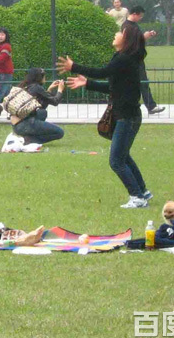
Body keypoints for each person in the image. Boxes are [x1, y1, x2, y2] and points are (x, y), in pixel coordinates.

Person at [60, 22, 154, 209]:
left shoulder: (124, 59)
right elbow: (112, 87)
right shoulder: (123, 58)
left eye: (120, 32)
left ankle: (137, 197)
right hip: (128, 115)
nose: (115, 34)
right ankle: (142, 191)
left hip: (127, 116)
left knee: (116, 160)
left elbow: (102, 73)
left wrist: (74, 66)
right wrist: (87, 83)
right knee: (123, 156)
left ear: (126, 39)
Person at [125, 6, 164, 116]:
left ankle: (150, 106)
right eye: (140, 16)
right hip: (133, 59)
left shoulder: (134, 25)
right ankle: (148, 106)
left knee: (142, 82)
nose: (141, 18)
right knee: (139, 82)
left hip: (138, 58)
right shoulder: (127, 26)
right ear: (135, 14)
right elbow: (130, 43)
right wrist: (144, 37)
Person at [10, 68, 65, 145]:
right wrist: (60, 90)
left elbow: (40, 106)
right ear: (39, 77)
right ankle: (29, 140)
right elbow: (55, 101)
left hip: (17, 126)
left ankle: (27, 137)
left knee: (42, 112)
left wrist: (49, 90)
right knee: (60, 132)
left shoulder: (24, 86)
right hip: (26, 123)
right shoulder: (36, 87)